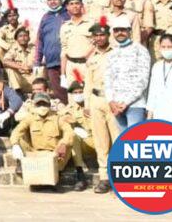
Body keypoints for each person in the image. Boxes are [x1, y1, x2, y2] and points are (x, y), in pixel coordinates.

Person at [10, 93, 81, 190]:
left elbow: (69, 132)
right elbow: (17, 131)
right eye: (39, 104)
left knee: (68, 143)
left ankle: (56, 174)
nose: (42, 107)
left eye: (45, 104)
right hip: (36, 153)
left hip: (55, 154)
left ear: (49, 105)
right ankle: (22, 165)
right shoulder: (30, 118)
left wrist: (64, 143)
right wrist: (15, 145)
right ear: (35, 106)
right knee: (19, 139)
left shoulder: (58, 118)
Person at [83, 18, 119, 194]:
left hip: (113, 100)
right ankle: (105, 178)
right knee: (101, 141)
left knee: (118, 139)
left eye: (102, 34)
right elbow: (88, 83)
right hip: (96, 100)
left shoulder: (117, 53)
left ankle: (120, 177)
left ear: (108, 36)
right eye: (96, 35)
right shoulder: (92, 58)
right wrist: (87, 103)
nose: (99, 38)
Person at [105, 16, 151, 131]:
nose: (120, 33)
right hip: (116, 105)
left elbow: (143, 80)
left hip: (135, 104)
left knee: (135, 142)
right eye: (116, 30)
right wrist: (111, 100)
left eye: (123, 30)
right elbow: (108, 79)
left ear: (129, 31)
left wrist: (126, 102)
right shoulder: (112, 53)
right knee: (123, 144)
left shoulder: (140, 50)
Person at [35, 0, 70, 102]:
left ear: (60, 0)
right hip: (51, 63)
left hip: (68, 61)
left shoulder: (68, 14)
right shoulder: (45, 17)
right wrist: (37, 61)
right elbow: (40, 40)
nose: (52, 2)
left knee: (72, 89)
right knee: (58, 91)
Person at [59, 0, 94, 88]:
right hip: (71, 66)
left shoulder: (91, 23)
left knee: (88, 94)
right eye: (71, 4)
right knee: (73, 98)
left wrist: (89, 57)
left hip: (87, 64)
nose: (75, 6)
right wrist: (62, 74)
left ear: (82, 5)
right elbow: (64, 50)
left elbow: (97, 45)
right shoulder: (64, 27)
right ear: (67, 7)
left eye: (77, 3)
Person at [2, 26, 35, 94]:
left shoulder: (34, 48)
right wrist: (22, 67)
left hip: (34, 77)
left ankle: (40, 91)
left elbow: (42, 61)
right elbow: (5, 61)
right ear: (16, 39)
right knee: (10, 70)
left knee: (42, 69)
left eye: (25, 36)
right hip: (21, 79)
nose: (23, 38)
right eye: (20, 36)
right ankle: (18, 93)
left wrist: (32, 66)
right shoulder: (13, 49)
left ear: (29, 38)